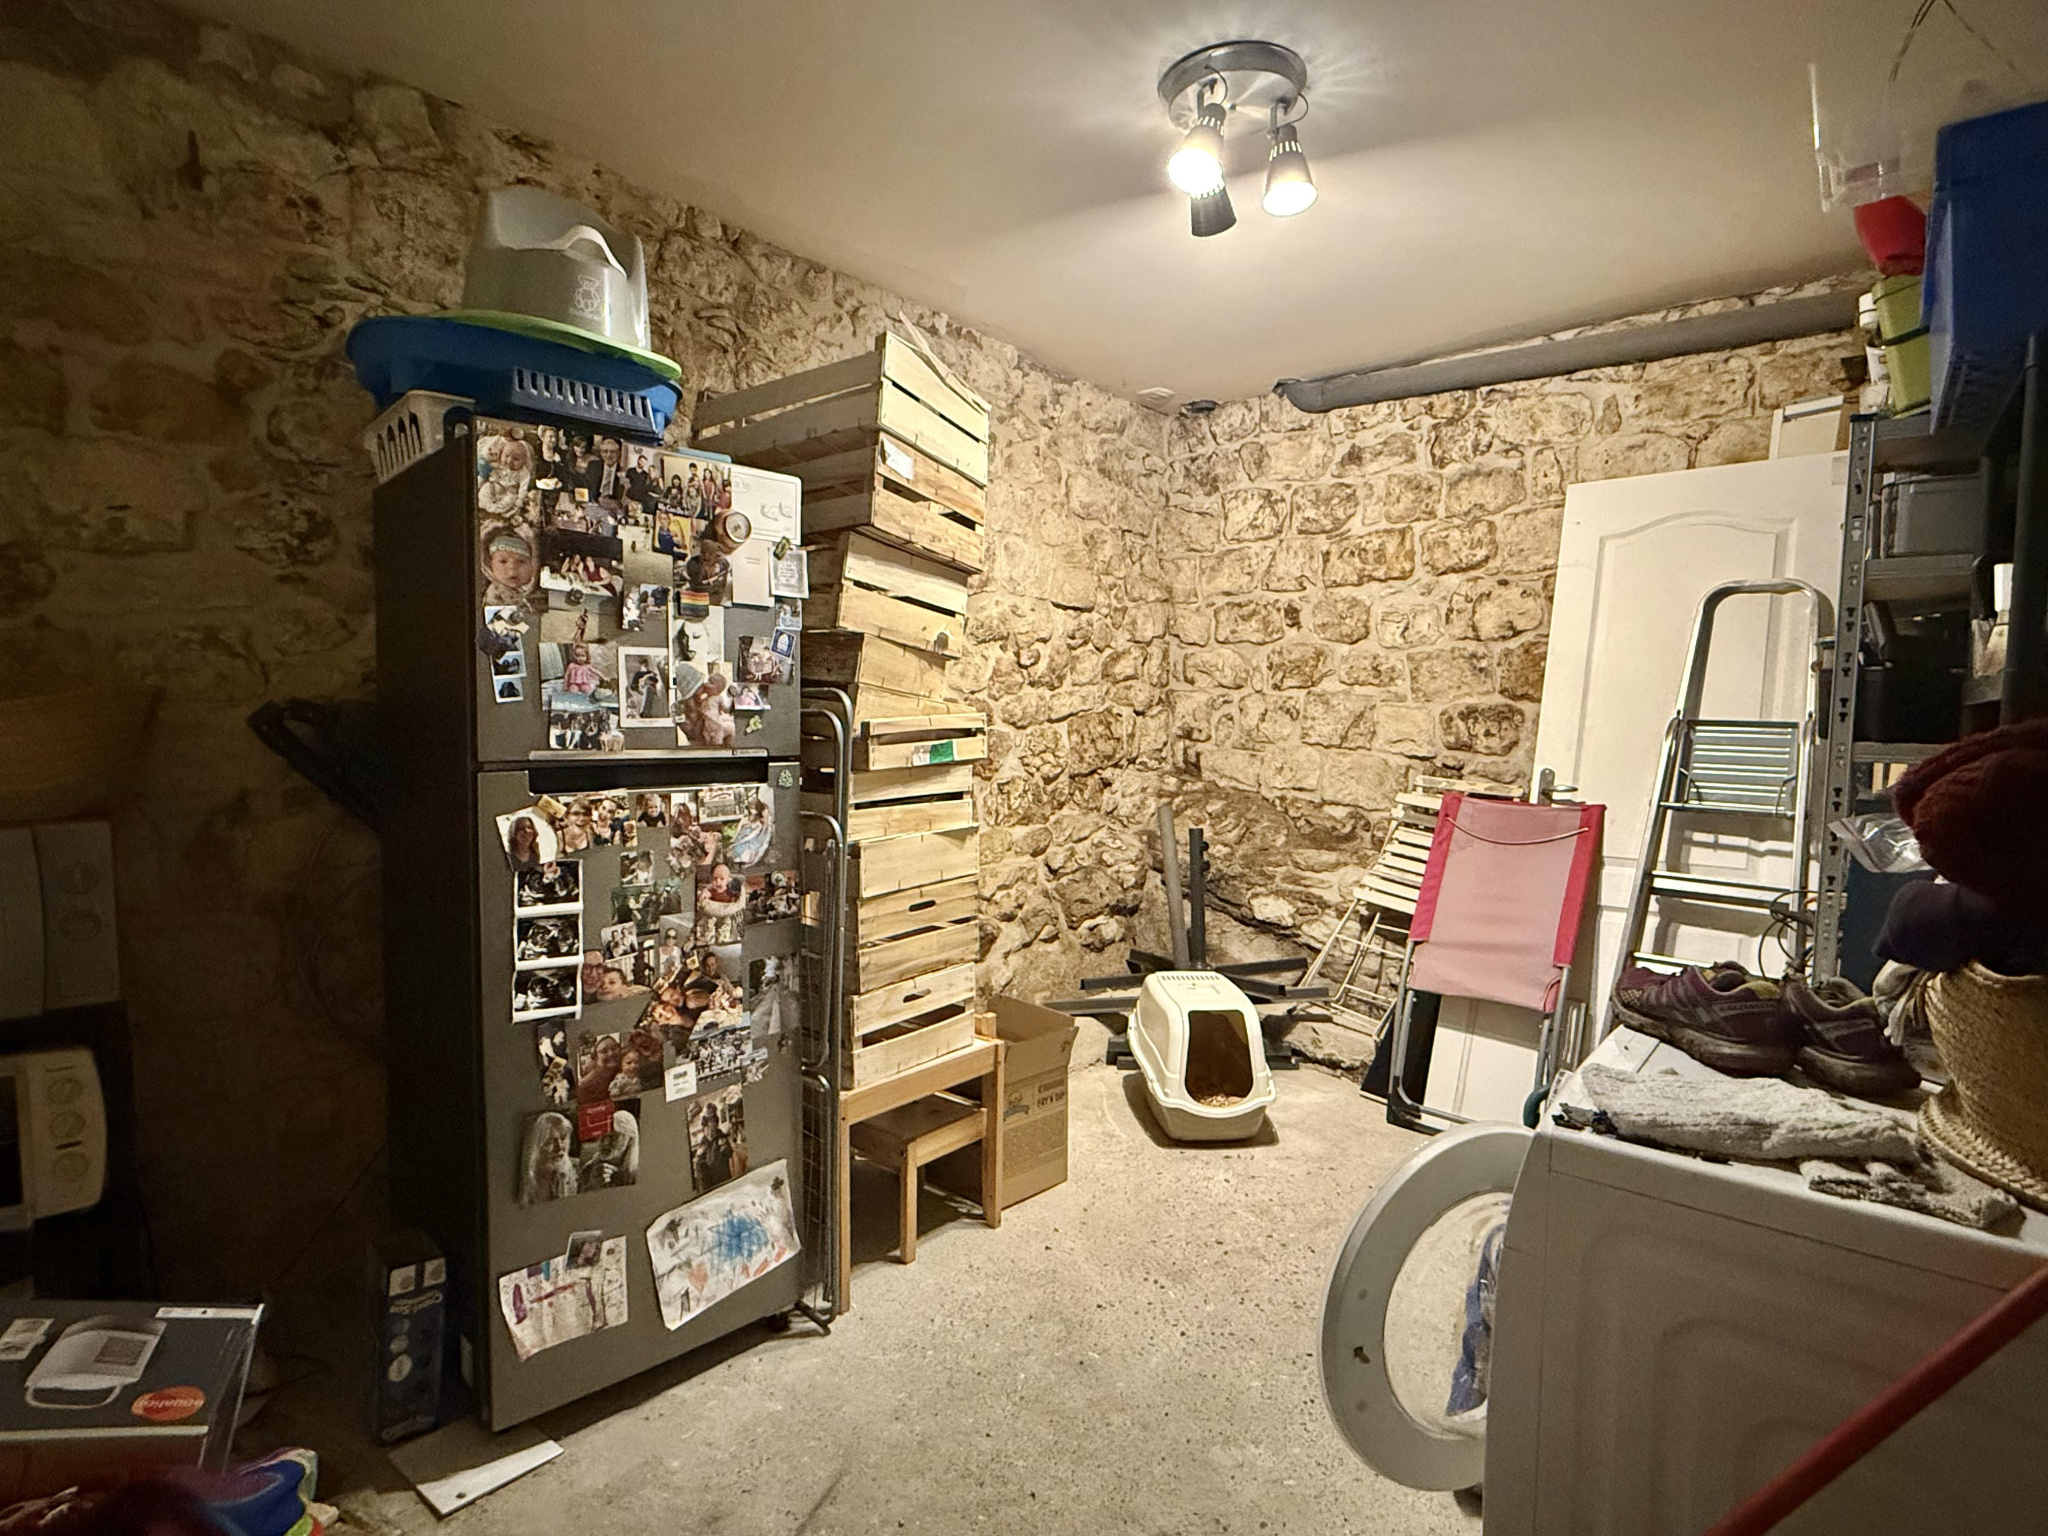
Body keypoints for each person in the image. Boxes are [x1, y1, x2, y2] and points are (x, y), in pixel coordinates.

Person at [520, 1113, 578, 1205]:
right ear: (535, 1146)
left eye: (563, 1139)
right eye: (550, 1142)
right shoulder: (521, 1178)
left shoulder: (578, 1171)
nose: (559, 1147)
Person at [579, 1109, 639, 1190]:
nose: (605, 1142)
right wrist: (592, 1186)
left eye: (613, 1137)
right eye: (603, 1136)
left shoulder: (640, 1171)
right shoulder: (588, 1171)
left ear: (629, 1139)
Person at [480, 528, 537, 603]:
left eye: (521, 561)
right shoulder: (493, 596)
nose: (512, 568)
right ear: (490, 565)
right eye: (503, 561)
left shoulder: (541, 596)